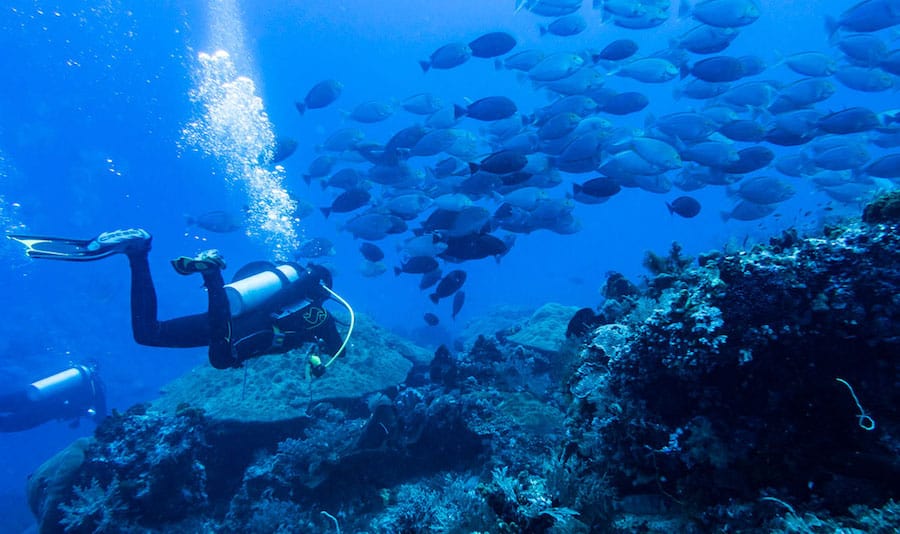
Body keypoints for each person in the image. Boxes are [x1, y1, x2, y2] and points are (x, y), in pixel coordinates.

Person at [8, 228, 353, 373]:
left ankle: (138, 252)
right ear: (324, 291)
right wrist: (319, 359)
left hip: (231, 313)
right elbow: (338, 351)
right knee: (221, 359)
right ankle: (211, 274)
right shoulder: (320, 316)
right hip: (237, 330)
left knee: (149, 333)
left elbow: (251, 273)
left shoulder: (285, 291)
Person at [0, 363, 106, 432]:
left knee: (5, 404)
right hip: (48, 409)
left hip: (32, 392)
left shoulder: (65, 370)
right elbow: (102, 419)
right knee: (10, 424)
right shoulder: (96, 387)